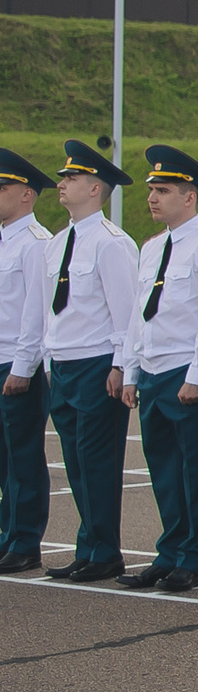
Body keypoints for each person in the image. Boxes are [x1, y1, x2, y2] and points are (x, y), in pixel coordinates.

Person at [112, 148, 198, 593]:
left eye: (163, 191)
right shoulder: (152, 247)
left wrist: (197, 376)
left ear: (190, 197)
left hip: (186, 371)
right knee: (162, 466)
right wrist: (131, 369)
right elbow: (141, 316)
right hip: (155, 370)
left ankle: (194, 556)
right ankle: (170, 550)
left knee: (195, 466)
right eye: (152, 191)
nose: (153, 198)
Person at [42, 141, 139, 583]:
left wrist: (121, 365)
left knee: (97, 462)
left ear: (96, 188)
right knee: (75, 463)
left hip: (97, 364)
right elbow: (51, 308)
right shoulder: (60, 241)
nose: (62, 185)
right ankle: (89, 545)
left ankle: (105, 551)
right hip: (63, 363)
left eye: (72, 179)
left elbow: (125, 312)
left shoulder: (112, 243)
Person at [0, 148, 57, 575]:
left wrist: (23, 367)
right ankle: (7, 534)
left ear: (26, 195)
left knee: (22, 458)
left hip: (16, 365)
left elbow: (37, 314)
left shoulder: (37, 246)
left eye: (3, 188)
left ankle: (24, 541)